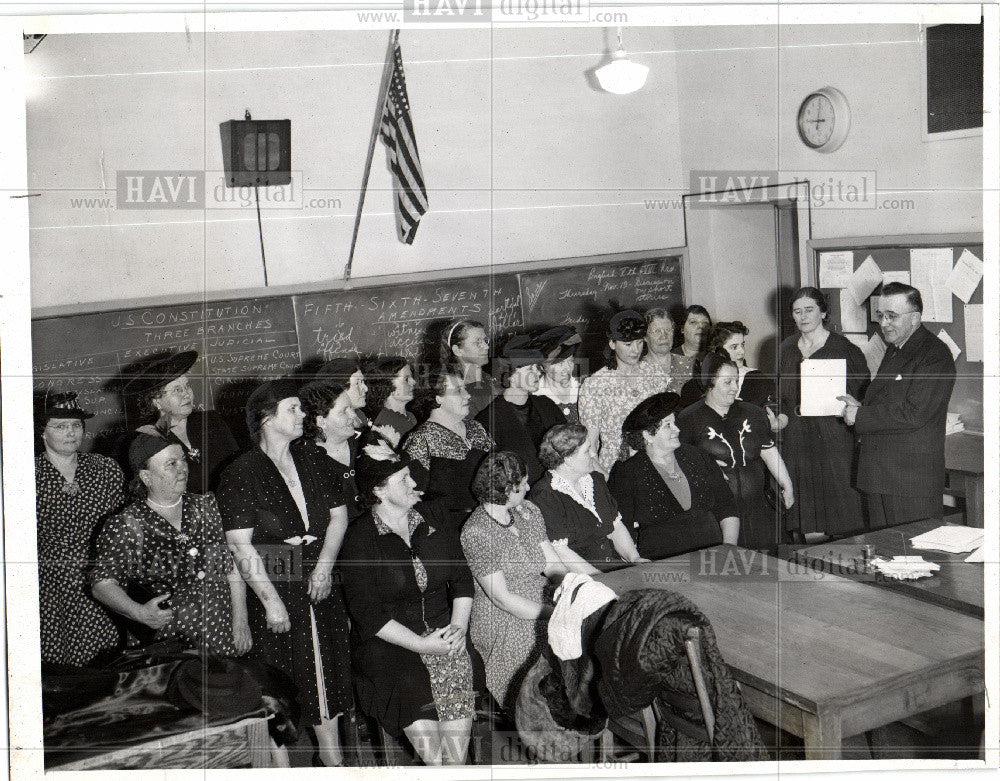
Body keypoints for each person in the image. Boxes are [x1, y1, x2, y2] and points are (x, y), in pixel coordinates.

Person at [217, 379, 353, 767]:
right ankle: (282, 770)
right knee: (279, 685)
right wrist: (272, 602)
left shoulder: (313, 458)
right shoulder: (240, 472)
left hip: (318, 579)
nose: (303, 415)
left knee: (326, 675)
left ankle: (334, 763)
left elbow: (338, 519)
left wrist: (325, 569)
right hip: (272, 582)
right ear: (265, 418)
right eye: (293, 408)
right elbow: (240, 546)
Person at [340, 444, 481, 765]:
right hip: (391, 645)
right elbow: (368, 615)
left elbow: (461, 579)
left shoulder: (433, 519)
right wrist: (420, 644)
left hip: (444, 632)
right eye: (403, 480)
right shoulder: (360, 540)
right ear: (378, 491)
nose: (414, 484)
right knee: (434, 755)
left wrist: (458, 627)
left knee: (454, 758)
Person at [90, 434, 250, 658]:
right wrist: (139, 613)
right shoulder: (127, 524)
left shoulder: (207, 506)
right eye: (171, 464)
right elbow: (102, 584)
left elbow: (230, 566)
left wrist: (240, 621)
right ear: (146, 477)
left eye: (183, 460)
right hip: (168, 643)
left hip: (220, 632)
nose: (182, 468)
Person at [839, 282, 956, 530]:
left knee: (915, 559)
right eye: (881, 316)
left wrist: (861, 416)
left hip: (910, 482)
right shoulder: (896, 349)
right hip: (882, 475)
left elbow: (915, 413)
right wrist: (861, 406)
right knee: (886, 556)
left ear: (915, 318)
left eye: (892, 316)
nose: (884, 323)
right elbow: (891, 401)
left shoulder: (935, 355)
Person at [460, 452, 567, 714]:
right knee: (543, 654)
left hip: (540, 596)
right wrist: (552, 615)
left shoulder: (528, 511)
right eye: (524, 483)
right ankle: (538, 723)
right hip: (503, 617)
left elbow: (552, 564)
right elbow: (502, 598)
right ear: (507, 488)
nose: (529, 488)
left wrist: (571, 592)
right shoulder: (476, 532)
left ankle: (571, 721)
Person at [34, 392, 126, 667]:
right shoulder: (26, 474)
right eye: (60, 426)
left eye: (75, 425)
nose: (71, 433)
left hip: (100, 582)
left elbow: (123, 526)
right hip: (50, 589)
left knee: (106, 668)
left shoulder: (104, 469)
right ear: (42, 432)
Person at [677, 354, 794, 553]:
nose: (735, 388)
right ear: (709, 384)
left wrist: (787, 484)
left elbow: (768, 450)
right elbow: (681, 465)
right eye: (727, 382)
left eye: (736, 381)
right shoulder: (688, 419)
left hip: (759, 511)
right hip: (718, 515)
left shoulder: (753, 413)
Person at [778, 288, 869, 540]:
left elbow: (862, 396)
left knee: (840, 508)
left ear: (823, 312)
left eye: (809, 310)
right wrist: (780, 415)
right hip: (796, 436)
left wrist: (854, 406)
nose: (803, 316)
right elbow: (778, 395)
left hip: (833, 436)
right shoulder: (786, 348)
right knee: (805, 510)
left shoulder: (844, 349)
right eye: (797, 311)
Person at [609, 393, 739, 560]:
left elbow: (726, 505)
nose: (677, 429)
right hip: (663, 563)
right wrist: (635, 559)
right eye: (667, 426)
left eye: (674, 423)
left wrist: (729, 548)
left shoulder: (698, 456)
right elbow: (619, 526)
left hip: (713, 557)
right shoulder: (627, 472)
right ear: (647, 435)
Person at [528, 424, 645, 571]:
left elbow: (615, 526)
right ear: (568, 459)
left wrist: (634, 558)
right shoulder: (545, 496)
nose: (592, 454)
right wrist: (598, 577)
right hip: (582, 577)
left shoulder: (595, 481)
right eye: (586, 451)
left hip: (613, 568)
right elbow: (560, 551)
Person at [124, 350, 239, 494]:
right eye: (177, 390)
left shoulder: (211, 421)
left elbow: (240, 467)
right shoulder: (149, 439)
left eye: (187, 386)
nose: (186, 394)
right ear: (157, 401)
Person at [404, 368, 495, 539]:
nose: (467, 396)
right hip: (448, 532)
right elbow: (411, 496)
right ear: (437, 398)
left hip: (489, 523)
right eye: (459, 391)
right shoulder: (422, 438)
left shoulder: (476, 428)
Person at [578, 310, 661, 474]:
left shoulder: (654, 373)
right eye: (628, 344)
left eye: (639, 342)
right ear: (612, 344)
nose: (635, 350)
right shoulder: (594, 384)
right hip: (616, 467)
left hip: (655, 460)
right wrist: (603, 478)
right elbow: (590, 445)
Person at [476, 335, 565, 485]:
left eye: (537, 367)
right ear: (509, 376)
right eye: (530, 368)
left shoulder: (546, 405)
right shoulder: (488, 420)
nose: (538, 373)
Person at [297, 379, 365, 520]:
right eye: (343, 412)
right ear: (321, 421)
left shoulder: (367, 442)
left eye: (351, 408)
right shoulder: (305, 463)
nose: (353, 416)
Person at [440, 318, 501, 418]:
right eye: (477, 342)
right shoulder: (458, 391)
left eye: (485, 341)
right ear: (458, 350)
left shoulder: (488, 378)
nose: (486, 347)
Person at [532, 326, 583, 424]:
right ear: (543, 367)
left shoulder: (583, 386)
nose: (567, 368)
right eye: (560, 363)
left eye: (570, 361)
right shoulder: (536, 396)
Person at [363, 355, 418, 443]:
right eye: (406, 379)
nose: (413, 382)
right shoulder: (384, 423)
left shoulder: (411, 417)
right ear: (387, 384)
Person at [641, 308, 695, 395]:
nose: (664, 336)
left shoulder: (689, 365)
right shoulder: (636, 370)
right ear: (645, 337)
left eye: (668, 330)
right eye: (657, 331)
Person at [315, 357, 371, 430]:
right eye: (357, 383)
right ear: (339, 388)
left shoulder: (360, 416)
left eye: (363, 382)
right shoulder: (333, 428)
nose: (366, 389)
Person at [672, 305, 712, 369]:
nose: (700, 326)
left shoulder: (716, 359)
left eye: (705, 323)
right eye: (693, 322)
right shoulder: (669, 360)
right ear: (682, 329)